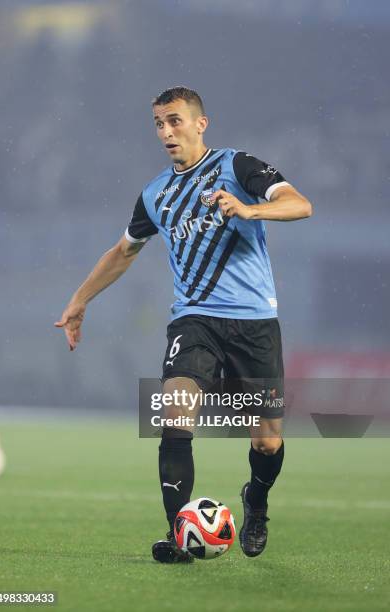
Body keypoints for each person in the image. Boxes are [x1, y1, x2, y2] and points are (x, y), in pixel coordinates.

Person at [55, 86, 312, 563]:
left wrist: (250, 208)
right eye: (158, 123)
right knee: (175, 415)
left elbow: (300, 204)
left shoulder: (238, 167)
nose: (166, 131)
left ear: (201, 123)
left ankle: (255, 500)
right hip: (193, 321)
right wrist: (80, 300)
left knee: (267, 439)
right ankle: (179, 536)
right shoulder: (155, 194)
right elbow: (122, 252)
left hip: (255, 324)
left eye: (175, 120)